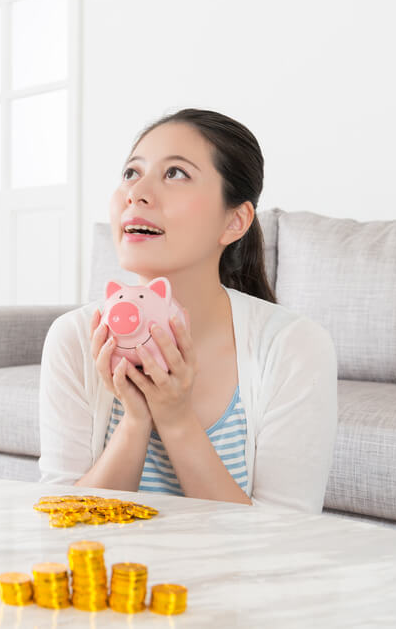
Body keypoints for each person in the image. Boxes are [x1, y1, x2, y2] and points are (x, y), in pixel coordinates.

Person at [37, 108, 338, 513]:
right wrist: (135, 422)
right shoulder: (74, 336)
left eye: (175, 173)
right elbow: (61, 521)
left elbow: (284, 536)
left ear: (234, 221)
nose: (136, 193)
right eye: (131, 172)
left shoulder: (293, 346)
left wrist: (176, 420)